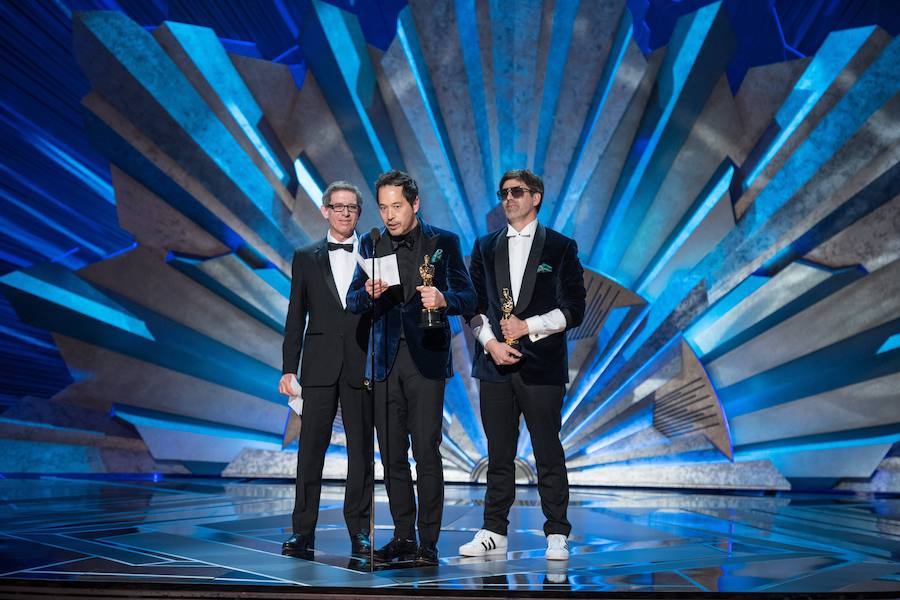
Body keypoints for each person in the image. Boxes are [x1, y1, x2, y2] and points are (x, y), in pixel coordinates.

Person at [347, 170, 476, 566]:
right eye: (383, 207)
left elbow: (469, 296)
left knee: (426, 452)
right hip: (384, 362)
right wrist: (367, 294)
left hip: (425, 361)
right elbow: (352, 301)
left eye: (397, 206)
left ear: (415, 204)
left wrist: (443, 299)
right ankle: (403, 536)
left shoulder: (443, 242)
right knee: (392, 455)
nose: (389, 215)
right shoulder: (370, 243)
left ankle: (428, 543)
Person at [460, 169, 586, 561]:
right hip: (494, 364)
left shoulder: (561, 247)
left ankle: (557, 531)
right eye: (504, 193)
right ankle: (493, 530)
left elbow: (574, 309)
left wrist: (527, 326)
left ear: (536, 197)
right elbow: (473, 306)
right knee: (498, 453)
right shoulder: (485, 246)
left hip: (541, 366)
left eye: (517, 192)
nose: (509, 199)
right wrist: (491, 343)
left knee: (548, 450)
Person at [279, 181, 373, 559]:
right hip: (318, 367)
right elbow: (295, 315)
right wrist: (289, 368)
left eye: (352, 207)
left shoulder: (374, 254)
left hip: (361, 363)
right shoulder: (305, 256)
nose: (345, 213)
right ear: (325, 211)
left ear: (359, 212)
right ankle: (302, 531)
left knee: (361, 453)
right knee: (310, 452)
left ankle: (360, 532)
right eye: (338, 206)